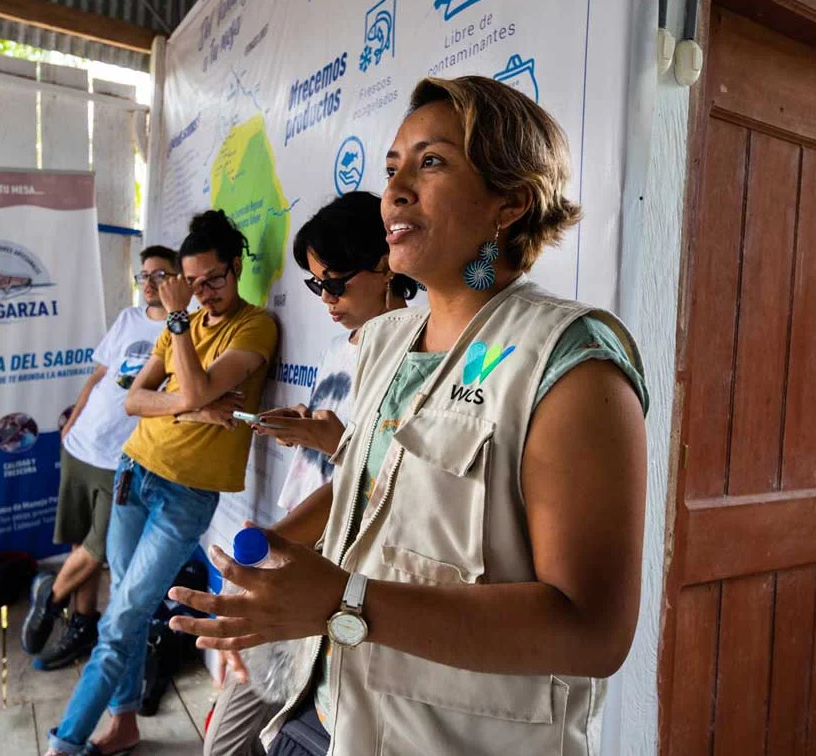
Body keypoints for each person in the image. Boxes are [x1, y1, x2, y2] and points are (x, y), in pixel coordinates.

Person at [168, 76, 650, 756]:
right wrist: (269, 568)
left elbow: (593, 632)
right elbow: (371, 484)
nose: (395, 190)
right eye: (392, 168)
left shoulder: (569, 363)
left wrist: (344, 601)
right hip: (329, 713)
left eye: (431, 162)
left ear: (510, 201)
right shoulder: (386, 340)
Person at [44, 210, 279, 756]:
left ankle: (66, 743)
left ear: (236, 266)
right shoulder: (185, 324)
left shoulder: (254, 326)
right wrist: (192, 408)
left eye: (213, 279)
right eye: (192, 284)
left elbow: (192, 387)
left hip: (186, 496)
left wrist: (177, 333)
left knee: (123, 616)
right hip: (134, 473)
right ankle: (124, 723)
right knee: (125, 611)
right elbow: (133, 400)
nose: (202, 294)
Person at [203, 191, 417, 756]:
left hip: (335, 570)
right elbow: (340, 457)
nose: (325, 298)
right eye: (315, 284)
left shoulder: (417, 355)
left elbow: (379, 480)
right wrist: (306, 430)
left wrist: (336, 445)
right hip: (300, 549)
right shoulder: (343, 347)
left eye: (336, 283)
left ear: (386, 264)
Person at [21, 245, 178, 670]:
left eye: (160, 274)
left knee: (100, 546)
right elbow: (99, 376)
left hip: (125, 458)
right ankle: (82, 622)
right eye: (144, 275)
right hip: (83, 445)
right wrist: (73, 419)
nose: (149, 283)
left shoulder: (185, 329)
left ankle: (50, 596)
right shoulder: (128, 319)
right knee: (80, 539)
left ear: (178, 279)